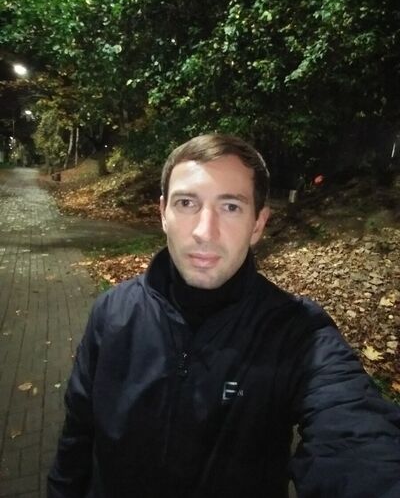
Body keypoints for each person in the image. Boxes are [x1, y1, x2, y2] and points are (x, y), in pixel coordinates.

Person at [48, 134, 400, 498]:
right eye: (187, 203)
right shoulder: (111, 313)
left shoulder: (298, 333)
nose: (205, 231)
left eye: (230, 207)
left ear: (258, 224)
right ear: (163, 213)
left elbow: (356, 436)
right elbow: (77, 438)